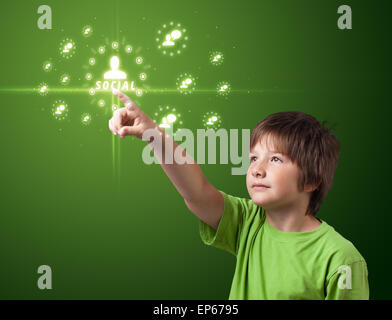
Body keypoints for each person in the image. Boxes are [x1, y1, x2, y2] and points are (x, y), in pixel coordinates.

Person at [108, 90, 369, 300]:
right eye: (254, 158)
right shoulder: (248, 221)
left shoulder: (341, 258)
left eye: (276, 159)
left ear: (311, 180)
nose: (257, 169)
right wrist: (152, 134)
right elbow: (196, 192)